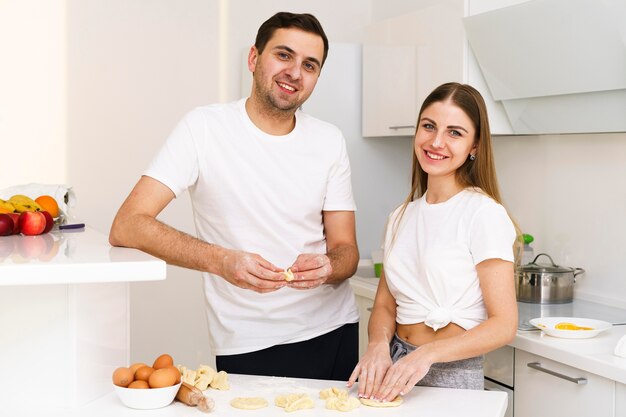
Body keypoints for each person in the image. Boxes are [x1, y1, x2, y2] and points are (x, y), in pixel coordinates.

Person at [109, 12, 360, 380]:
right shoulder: (204, 128)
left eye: (310, 64)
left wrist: (329, 267)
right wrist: (221, 260)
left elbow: (346, 251)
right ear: (254, 59)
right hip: (250, 341)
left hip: (337, 329)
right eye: (284, 55)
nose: (295, 72)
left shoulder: (329, 140)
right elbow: (127, 225)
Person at [347, 82, 518, 400]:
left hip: (449, 370)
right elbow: (385, 304)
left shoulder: (482, 213)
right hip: (395, 364)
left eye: (455, 132)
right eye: (429, 126)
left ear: (475, 146)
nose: (436, 141)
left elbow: (504, 324)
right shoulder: (400, 216)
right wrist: (377, 346)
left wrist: (427, 355)